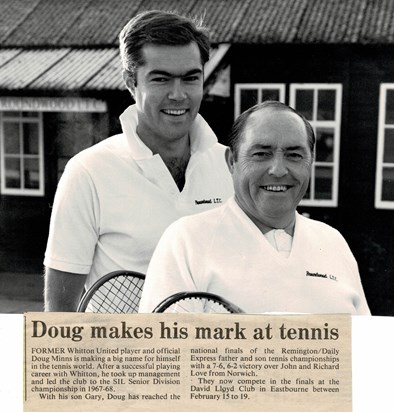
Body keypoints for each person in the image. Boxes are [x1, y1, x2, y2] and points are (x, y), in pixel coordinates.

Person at [44, 10, 234, 311]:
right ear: (131, 82)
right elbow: (59, 317)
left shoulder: (231, 166)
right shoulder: (87, 172)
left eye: (190, 78)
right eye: (160, 79)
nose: (178, 94)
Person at [139, 101, 371, 315]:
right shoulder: (186, 240)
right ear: (231, 162)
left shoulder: (333, 242)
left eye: (294, 155)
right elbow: (161, 355)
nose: (278, 170)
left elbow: (366, 350)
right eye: (261, 154)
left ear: (311, 162)